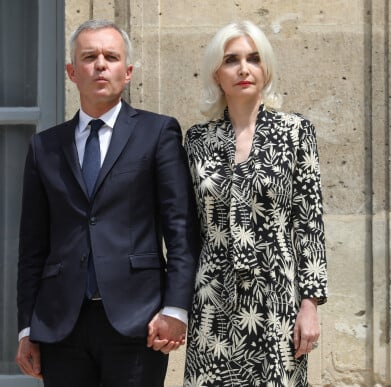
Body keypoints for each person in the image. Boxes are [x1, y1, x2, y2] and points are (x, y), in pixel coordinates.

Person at [15, 19, 197, 387]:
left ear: (127, 72)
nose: (100, 64)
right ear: (71, 71)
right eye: (89, 56)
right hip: (59, 324)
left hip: (138, 320)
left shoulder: (157, 133)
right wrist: (26, 328)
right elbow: (32, 247)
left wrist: (176, 309)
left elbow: (181, 229)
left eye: (111, 56)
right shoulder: (44, 147)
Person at [183, 20, 328, 386]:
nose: (244, 69)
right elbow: (186, 227)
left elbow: (309, 225)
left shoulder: (296, 132)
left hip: (277, 293)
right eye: (231, 60)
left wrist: (309, 305)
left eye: (254, 59)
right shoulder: (197, 139)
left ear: (266, 69)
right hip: (213, 294)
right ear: (217, 73)